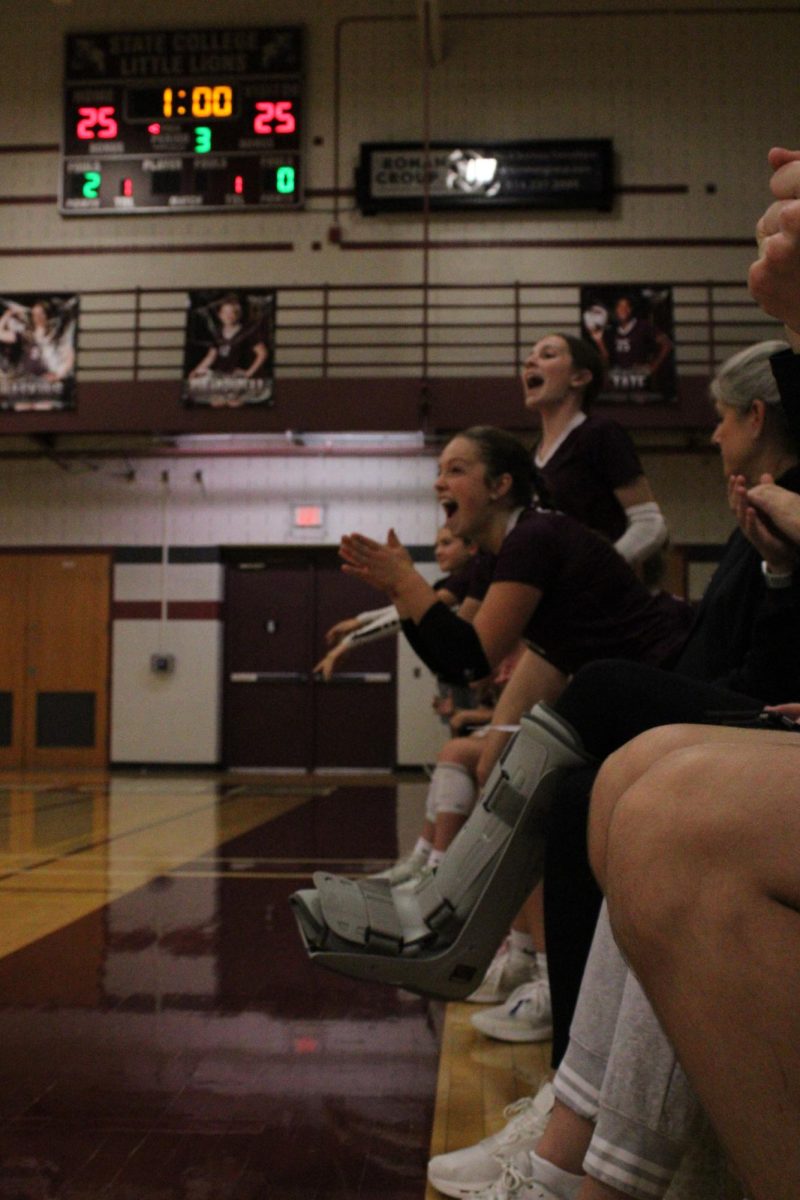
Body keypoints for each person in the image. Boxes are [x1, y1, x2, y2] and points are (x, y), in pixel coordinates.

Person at [426, 339, 800, 1199]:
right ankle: (565, 1105)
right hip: (728, 692)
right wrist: (780, 566)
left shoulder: (567, 493)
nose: (708, 437)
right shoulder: (755, 512)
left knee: (597, 707)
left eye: (717, 417)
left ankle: (466, 919)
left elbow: (473, 645)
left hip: (731, 698)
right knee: (574, 780)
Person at [522, 333, 667, 566]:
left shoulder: (600, 434)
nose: (529, 362)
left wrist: (601, 570)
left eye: (547, 355)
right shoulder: (531, 456)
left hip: (594, 596)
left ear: (579, 377)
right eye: (530, 356)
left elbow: (650, 524)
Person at [314, 525, 475, 682]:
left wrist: (349, 642)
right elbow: (410, 607)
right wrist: (359, 622)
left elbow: (412, 613)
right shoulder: (448, 582)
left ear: (471, 547)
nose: (437, 551)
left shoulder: (469, 577)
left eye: (446, 543)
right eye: (436, 546)